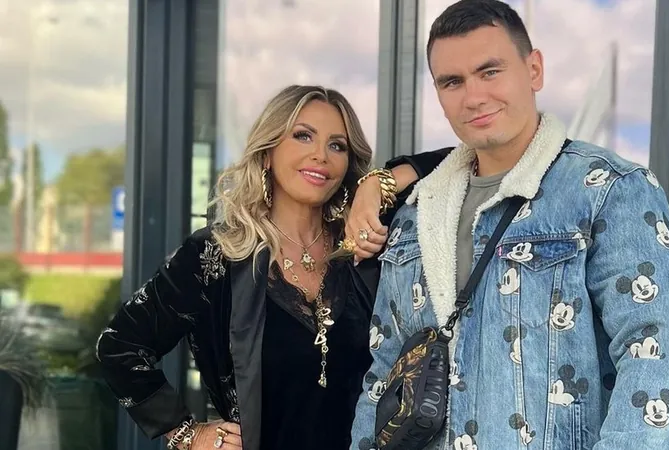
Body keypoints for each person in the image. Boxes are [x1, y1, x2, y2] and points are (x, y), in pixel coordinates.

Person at [349, 1, 669, 449]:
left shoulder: (607, 190)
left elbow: (657, 347)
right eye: (452, 81)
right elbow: (385, 373)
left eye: (490, 71)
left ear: (534, 70)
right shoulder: (414, 216)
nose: (473, 96)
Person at [95, 85, 450, 450]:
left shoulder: (367, 244)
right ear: (267, 153)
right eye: (303, 136)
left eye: (337, 145)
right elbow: (119, 346)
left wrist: (378, 183)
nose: (320, 155)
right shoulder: (216, 255)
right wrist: (187, 434)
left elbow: (461, 156)